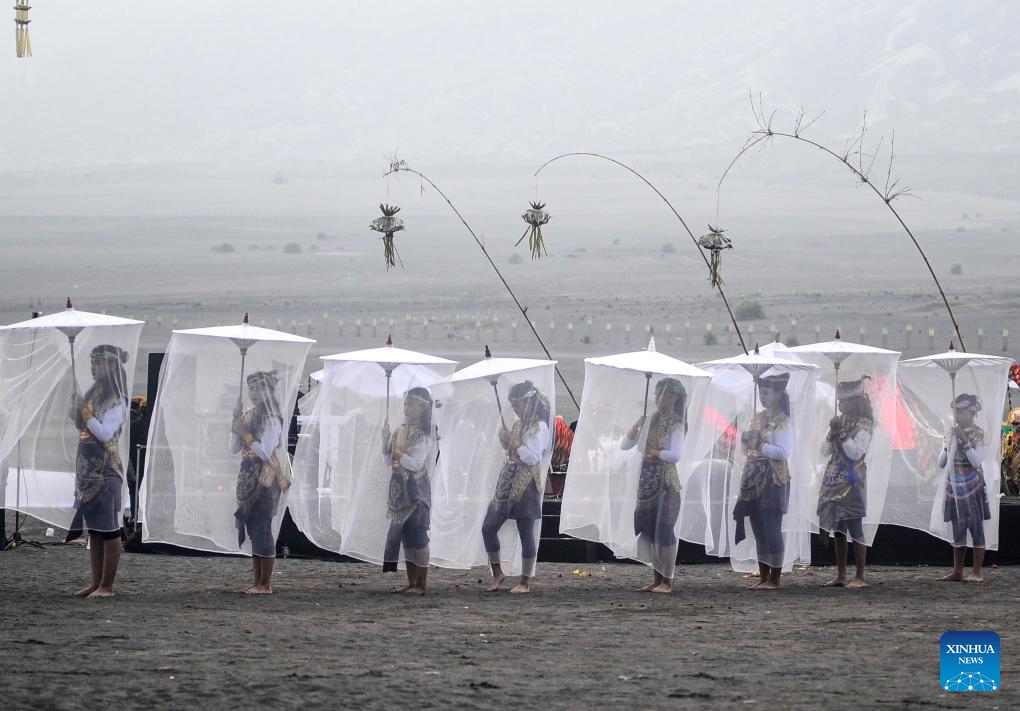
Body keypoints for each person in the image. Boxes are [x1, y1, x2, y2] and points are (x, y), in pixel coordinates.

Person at [69, 344, 130, 598]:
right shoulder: (95, 395)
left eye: (99, 363)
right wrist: (77, 405)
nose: (94, 368)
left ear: (112, 366)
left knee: (109, 530)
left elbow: (105, 433)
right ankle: (96, 582)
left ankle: (107, 585)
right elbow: (81, 425)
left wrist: (85, 411)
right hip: (87, 469)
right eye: (92, 363)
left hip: (105, 469)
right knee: (94, 531)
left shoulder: (118, 400)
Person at [483, 380, 551, 593]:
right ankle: (497, 573)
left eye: (518, 405)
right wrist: (506, 442)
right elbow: (512, 453)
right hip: (506, 481)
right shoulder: (518, 424)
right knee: (488, 527)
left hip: (525, 485)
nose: (515, 410)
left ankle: (524, 581)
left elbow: (532, 458)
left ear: (530, 403)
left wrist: (513, 441)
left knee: (525, 532)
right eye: (513, 406)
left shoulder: (540, 426)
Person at [621, 377, 687, 593]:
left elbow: (675, 455)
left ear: (673, 397)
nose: (657, 398)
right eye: (656, 393)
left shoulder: (677, 423)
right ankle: (657, 579)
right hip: (647, 481)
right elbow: (625, 445)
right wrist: (638, 424)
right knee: (649, 531)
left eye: (662, 394)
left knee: (664, 531)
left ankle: (667, 581)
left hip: (666, 482)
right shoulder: (650, 419)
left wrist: (654, 452)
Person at [733, 372, 793, 591]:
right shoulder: (757, 418)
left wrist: (760, 445)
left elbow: (784, 451)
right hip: (753, 479)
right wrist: (746, 440)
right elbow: (746, 449)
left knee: (771, 527)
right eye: (761, 392)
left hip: (773, 479)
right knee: (758, 529)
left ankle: (775, 579)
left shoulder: (783, 421)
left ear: (778, 394)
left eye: (766, 392)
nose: (762, 396)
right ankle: (764, 575)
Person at [231, 370, 287, 594]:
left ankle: (266, 583)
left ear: (270, 391)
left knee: (262, 526)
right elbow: (233, 448)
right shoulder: (248, 415)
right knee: (253, 527)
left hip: (265, 476)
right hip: (247, 474)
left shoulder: (272, 417)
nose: (255, 393)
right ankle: (258, 581)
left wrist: (245, 433)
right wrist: (235, 424)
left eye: (260, 388)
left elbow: (265, 451)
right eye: (252, 389)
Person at [818, 377, 873, 589]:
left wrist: (840, 433)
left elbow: (855, 452)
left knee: (855, 526)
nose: (840, 405)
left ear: (856, 401)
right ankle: (841, 574)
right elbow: (824, 451)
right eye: (839, 401)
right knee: (838, 529)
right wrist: (832, 433)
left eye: (844, 401)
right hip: (834, 478)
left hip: (853, 479)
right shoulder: (839, 421)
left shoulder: (864, 424)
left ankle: (860, 575)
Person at [381, 387, 435, 594]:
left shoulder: (425, 433)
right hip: (399, 489)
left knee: (418, 535)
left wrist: (396, 452)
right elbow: (388, 460)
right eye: (406, 403)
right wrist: (385, 441)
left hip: (415, 490)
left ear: (423, 407)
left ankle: (421, 584)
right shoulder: (400, 429)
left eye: (411, 404)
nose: (407, 408)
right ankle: (412, 582)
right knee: (405, 536)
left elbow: (416, 463)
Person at [937, 393, 990, 583]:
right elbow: (941, 463)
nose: (957, 415)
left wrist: (965, 441)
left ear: (972, 412)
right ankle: (957, 571)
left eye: (960, 411)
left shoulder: (978, 433)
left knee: (976, 527)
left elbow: (977, 461)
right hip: (954, 485)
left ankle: (977, 571)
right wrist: (948, 443)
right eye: (955, 411)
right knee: (957, 527)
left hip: (972, 485)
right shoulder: (952, 433)